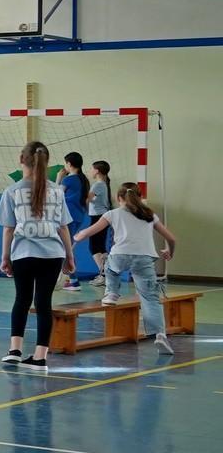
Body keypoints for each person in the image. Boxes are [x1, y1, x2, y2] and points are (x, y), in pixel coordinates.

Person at [74, 183, 178, 354]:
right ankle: (160, 335)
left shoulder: (112, 213)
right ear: (139, 196)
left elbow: (89, 232)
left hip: (120, 256)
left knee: (108, 264)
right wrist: (169, 252)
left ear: (118, 198)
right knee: (151, 298)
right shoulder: (149, 214)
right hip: (145, 258)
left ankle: (112, 293)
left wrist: (77, 236)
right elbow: (171, 238)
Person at [0, 141, 73, 369]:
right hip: (53, 254)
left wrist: (5, 257)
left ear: (22, 160)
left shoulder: (12, 191)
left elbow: (9, 228)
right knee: (43, 303)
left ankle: (15, 349)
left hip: (24, 252)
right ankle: (40, 356)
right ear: (47, 162)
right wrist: (69, 256)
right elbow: (63, 227)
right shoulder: (57, 191)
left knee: (22, 299)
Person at [58, 151, 91, 288]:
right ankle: (72, 279)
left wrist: (59, 178)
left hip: (68, 216)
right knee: (67, 246)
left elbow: (57, 194)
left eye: (66, 163)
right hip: (78, 215)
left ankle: (73, 280)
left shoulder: (68, 179)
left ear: (69, 164)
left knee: (65, 247)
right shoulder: (83, 179)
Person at [85, 159, 114, 289]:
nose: (90, 171)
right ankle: (107, 273)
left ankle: (103, 275)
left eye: (92, 168)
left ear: (97, 171)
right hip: (101, 216)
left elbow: (88, 199)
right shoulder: (103, 184)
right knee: (100, 247)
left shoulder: (98, 185)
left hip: (98, 217)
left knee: (94, 247)